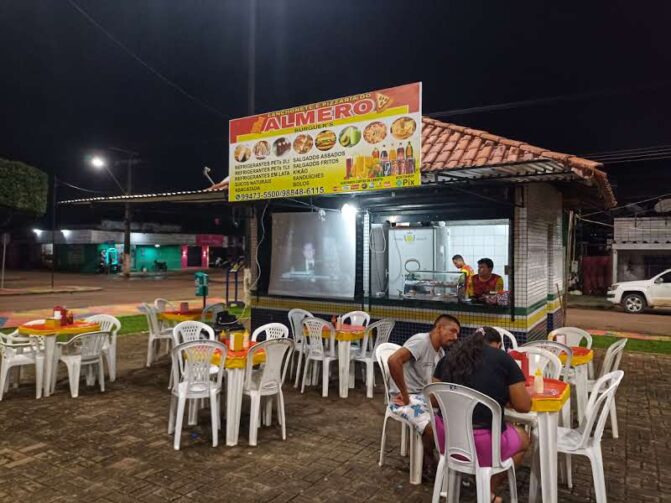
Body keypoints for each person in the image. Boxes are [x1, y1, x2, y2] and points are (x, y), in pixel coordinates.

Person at [433, 326, 531, 502]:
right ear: (498, 344)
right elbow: (523, 406)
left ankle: (477, 486)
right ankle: (488, 491)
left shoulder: (449, 357)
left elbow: (434, 399)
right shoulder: (503, 358)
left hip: (446, 438)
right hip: (484, 444)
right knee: (524, 438)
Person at [387, 314, 461, 474]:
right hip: (403, 398)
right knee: (431, 428)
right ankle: (429, 459)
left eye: (457, 334)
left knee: (453, 419)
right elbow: (393, 361)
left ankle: (433, 458)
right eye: (452, 331)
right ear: (439, 328)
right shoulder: (421, 341)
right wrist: (405, 395)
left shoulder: (440, 353)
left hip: (423, 397)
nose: (455, 337)